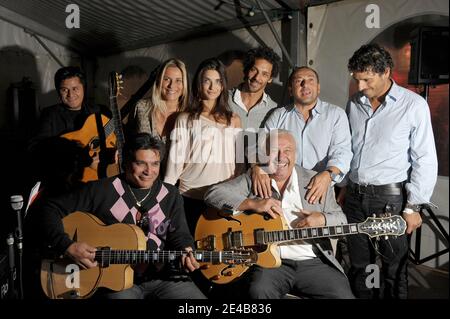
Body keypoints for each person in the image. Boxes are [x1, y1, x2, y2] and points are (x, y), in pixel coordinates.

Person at [24, 133, 206, 299]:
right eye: (140, 163)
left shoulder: (171, 194)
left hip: (163, 277)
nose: (148, 171)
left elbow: (179, 234)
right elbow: (49, 208)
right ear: (126, 162)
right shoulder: (101, 190)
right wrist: (68, 246)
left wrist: (186, 248)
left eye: (155, 164)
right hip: (116, 283)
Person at [204, 129, 355, 299]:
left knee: (343, 296)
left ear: (295, 155)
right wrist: (254, 203)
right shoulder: (254, 179)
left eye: (287, 151)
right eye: (274, 151)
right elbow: (213, 194)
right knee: (258, 292)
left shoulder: (315, 180)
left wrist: (322, 218)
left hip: (313, 261)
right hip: (271, 264)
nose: (281, 157)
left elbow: (342, 220)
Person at [342, 43, 438, 299]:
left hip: (390, 201)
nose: (360, 86)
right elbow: (348, 149)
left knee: (394, 268)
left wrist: (414, 207)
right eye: (357, 79)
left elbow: (425, 158)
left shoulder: (413, 105)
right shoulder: (354, 103)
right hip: (353, 198)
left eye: (366, 79)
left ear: (386, 72)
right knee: (362, 267)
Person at [164, 58, 242, 235]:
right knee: (190, 253)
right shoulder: (185, 119)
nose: (212, 87)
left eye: (217, 81)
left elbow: (239, 164)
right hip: (190, 196)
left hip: (222, 197)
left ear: (223, 86)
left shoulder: (234, 120)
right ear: (198, 84)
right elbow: (174, 164)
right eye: (207, 81)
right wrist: (164, 199)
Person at [253, 66, 352, 205]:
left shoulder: (336, 115)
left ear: (318, 87)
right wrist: (259, 168)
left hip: (322, 190)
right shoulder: (278, 115)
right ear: (290, 90)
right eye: (299, 81)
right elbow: (261, 147)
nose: (305, 85)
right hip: (282, 191)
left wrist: (328, 175)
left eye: (310, 80)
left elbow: (342, 152)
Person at [228, 46, 280, 130]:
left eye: (264, 74)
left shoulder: (274, 110)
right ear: (246, 69)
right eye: (254, 70)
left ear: (270, 79)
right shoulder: (224, 99)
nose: (257, 77)